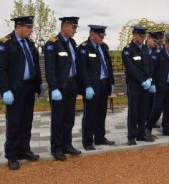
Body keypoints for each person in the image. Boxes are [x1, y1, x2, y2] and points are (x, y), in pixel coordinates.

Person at [0, 16, 42, 170]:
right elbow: (1, 69)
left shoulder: (30, 44)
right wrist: (5, 90)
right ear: (19, 26)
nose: (31, 31)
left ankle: (24, 150)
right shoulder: (6, 43)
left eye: (31, 28)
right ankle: (11, 154)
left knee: (26, 122)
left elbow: (35, 65)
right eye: (29, 28)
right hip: (15, 90)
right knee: (14, 123)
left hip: (29, 88)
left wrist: (39, 84)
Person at [44, 16, 82, 161]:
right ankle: (56, 148)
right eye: (73, 27)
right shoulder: (52, 44)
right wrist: (53, 88)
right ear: (64, 26)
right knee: (58, 119)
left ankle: (67, 145)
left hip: (71, 85)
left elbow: (76, 65)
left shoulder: (72, 42)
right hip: (59, 87)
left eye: (76, 27)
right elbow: (50, 68)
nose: (75, 31)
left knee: (69, 118)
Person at [78, 25, 115, 150]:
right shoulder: (84, 48)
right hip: (92, 86)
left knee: (101, 113)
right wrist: (87, 86)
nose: (102, 38)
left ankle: (100, 138)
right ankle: (87, 141)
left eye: (103, 35)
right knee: (90, 114)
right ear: (92, 34)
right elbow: (82, 69)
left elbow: (108, 66)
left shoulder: (103, 47)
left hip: (104, 84)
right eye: (100, 36)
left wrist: (112, 83)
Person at [122, 25, 155, 145]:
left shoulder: (145, 49)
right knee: (133, 111)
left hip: (146, 85)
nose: (143, 38)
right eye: (141, 35)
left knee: (143, 110)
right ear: (135, 35)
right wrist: (142, 81)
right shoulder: (128, 49)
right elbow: (131, 69)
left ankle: (141, 134)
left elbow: (150, 65)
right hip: (135, 84)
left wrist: (150, 80)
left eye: (144, 36)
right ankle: (131, 136)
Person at [146, 34, 169, 137]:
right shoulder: (158, 54)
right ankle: (148, 128)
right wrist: (152, 83)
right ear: (166, 43)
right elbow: (152, 70)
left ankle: (167, 129)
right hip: (160, 86)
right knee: (157, 108)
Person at [145, 32, 159, 122]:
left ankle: (149, 120)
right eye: (154, 41)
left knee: (151, 103)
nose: (155, 43)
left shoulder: (156, 52)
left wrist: (153, 82)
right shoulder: (142, 50)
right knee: (143, 104)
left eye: (156, 41)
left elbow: (156, 69)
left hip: (153, 82)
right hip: (144, 82)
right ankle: (142, 120)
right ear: (148, 39)